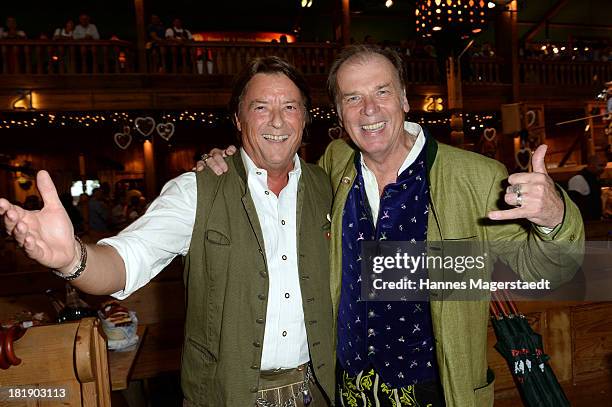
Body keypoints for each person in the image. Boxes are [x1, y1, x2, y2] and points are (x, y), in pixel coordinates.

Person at [198, 45, 584, 406]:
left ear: (403, 99)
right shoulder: (335, 165)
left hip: (438, 390)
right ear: (339, 112)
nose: (369, 109)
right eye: (353, 98)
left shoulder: (476, 178)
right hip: (348, 390)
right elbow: (272, 169)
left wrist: (553, 217)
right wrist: (230, 160)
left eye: (382, 92)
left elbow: (552, 269)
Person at [0, 56, 334, 407]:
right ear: (238, 118)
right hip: (225, 397)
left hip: (319, 392)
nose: (277, 120)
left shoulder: (328, 187)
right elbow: (129, 258)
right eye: (261, 107)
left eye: (290, 106)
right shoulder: (196, 190)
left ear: (305, 117)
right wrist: (72, 258)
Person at [567, 155, 606, 220]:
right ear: (591, 165)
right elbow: (574, 204)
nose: (603, 168)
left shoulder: (594, 178)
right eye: (600, 165)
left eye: (604, 166)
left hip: (594, 221)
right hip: (585, 223)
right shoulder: (578, 179)